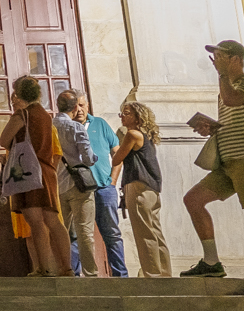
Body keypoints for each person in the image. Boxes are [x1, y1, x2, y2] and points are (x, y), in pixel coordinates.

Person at [182, 40, 244, 295]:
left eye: (220, 57)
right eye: (214, 57)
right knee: (193, 199)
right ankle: (211, 262)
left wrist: (222, 75)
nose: (215, 61)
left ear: (236, 59)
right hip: (229, 162)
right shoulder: (224, 88)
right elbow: (233, 118)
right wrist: (211, 128)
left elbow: (233, 100)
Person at [0, 76, 72, 277]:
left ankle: (45, 267)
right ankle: (67, 267)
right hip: (46, 170)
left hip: (28, 170)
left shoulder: (23, 115)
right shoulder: (45, 115)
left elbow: (4, 140)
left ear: (19, 94)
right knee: (53, 220)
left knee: (36, 222)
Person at [115, 100, 171, 277]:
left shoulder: (132, 134)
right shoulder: (147, 136)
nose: (122, 116)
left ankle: (151, 274)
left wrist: (117, 141)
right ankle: (164, 273)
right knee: (155, 232)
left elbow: (117, 159)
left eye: (126, 113)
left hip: (138, 186)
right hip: (152, 188)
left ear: (137, 116)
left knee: (144, 233)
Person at [53, 90, 101, 278]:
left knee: (61, 231)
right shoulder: (76, 128)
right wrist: (95, 157)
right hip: (79, 185)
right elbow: (88, 158)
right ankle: (90, 272)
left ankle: (63, 269)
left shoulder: (49, 126)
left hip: (57, 184)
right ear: (74, 107)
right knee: (84, 231)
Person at [82, 98, 128, 278]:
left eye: (82, 105)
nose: (79, 109)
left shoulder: (100, 124)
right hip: (79, 189)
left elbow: (117, 153)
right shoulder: (67, 127)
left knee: (112, 234)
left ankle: (121, 276)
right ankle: (77, 276)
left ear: (87, 105)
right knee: (78, 235)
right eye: (75, 105)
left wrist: (113, 181)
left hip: (104, 187)